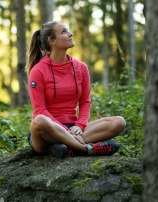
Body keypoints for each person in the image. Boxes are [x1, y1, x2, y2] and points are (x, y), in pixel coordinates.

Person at [26, 21, 126, 157]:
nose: (70, 34)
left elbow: (85, 101)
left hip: (74, 128)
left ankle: (66, 149)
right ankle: (85, 149)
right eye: (64, 32)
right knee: (39, 120)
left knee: (119, 122)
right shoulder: (38, 71)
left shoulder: (81, 68)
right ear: (52, 41)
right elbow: (40, 109)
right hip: (47, 132)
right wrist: (64, 131)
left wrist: (79, 126)